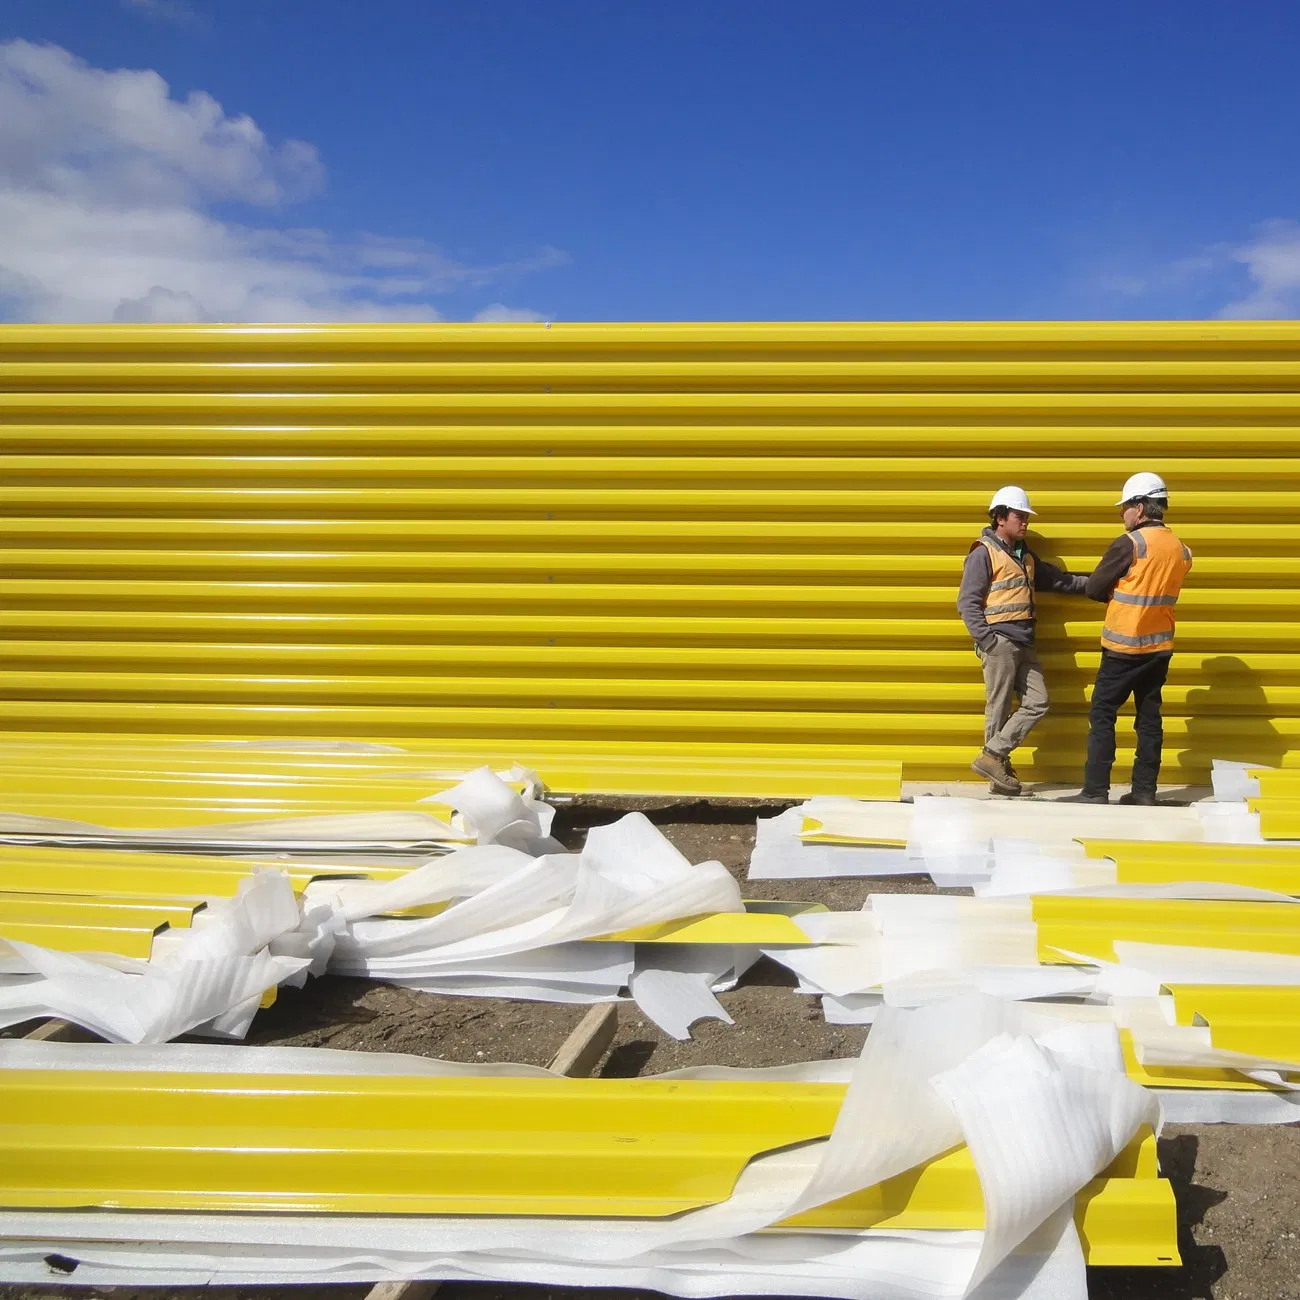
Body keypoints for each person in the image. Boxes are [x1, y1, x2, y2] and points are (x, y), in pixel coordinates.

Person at [958, 486, 1089, 796]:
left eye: (1026, 517)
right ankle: (998, 778)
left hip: (1025, 642)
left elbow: (1060, 580)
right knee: (999, 708)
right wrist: (988, 642)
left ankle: (992, 756)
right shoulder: (983, 552)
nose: (1026, 522)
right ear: (1000, 517)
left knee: (1037, 702)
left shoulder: (1025, 555)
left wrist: (1101, 582)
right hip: (1000, 642)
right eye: (1020, 516)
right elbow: (967, 603)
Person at [1078, 472, 1192, 806]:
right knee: (1149, 719)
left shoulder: (1129, 544)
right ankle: (1144, 791)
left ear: (1140, 508)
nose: (1122, 513)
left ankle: (1095, 791)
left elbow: (1094, 588)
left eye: (1125, 506)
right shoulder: (1182, 550)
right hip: (1159, 649)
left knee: (1102, 714)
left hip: (1123, 647)